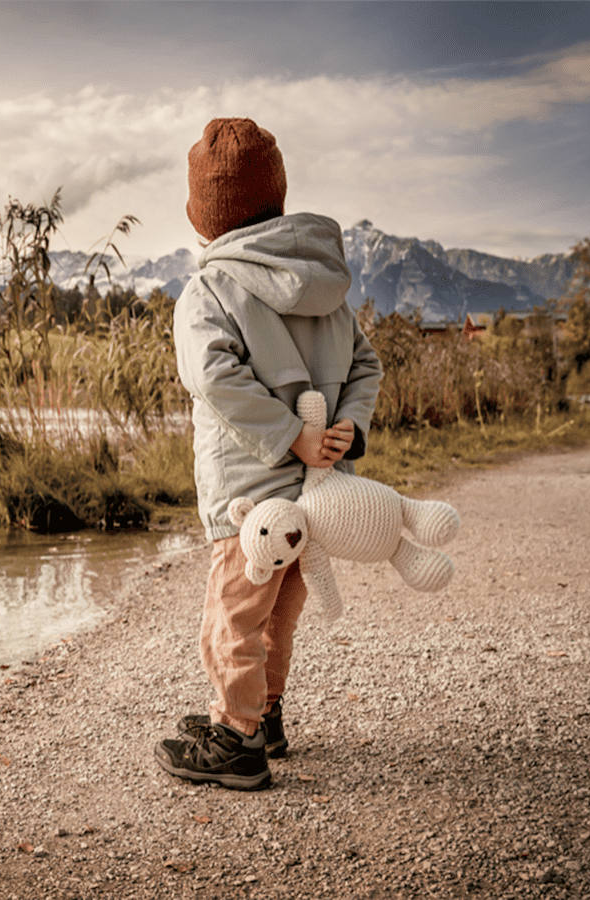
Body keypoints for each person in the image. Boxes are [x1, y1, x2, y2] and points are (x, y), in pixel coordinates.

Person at [159, 118, 383, 790]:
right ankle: (266, 713)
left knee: (234, 614)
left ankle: (237, 737)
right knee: (280, 613)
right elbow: (367, 366)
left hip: (250, 493)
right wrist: (344, 426)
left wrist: (287, 435)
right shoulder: (327, 290)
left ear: (205, 218)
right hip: (318, 494)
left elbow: (215, 377)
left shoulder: (210, 290)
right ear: (278, 200)